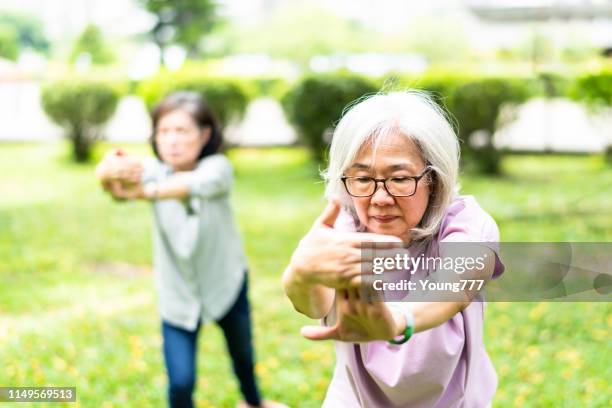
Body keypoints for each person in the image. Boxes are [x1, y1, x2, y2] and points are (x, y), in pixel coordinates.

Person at [282, 90, 505, 407]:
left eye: (399, 178)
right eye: (362, 178)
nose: (380, 198)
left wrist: (398, 319)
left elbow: (455, 286)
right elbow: (315, 304)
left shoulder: (467, 223)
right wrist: (300, 275)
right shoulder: (345, 229)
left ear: (434, 178)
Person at [96, 92, 286, 408]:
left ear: (205, 134)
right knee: (181, 382)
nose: (172, 141)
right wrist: (109, 170)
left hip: (226, 281)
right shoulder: (152, 170)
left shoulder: (219, 167)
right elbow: (113, 185)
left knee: (242, 355)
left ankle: (253, 403)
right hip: (177, 292)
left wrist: (145, 192)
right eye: (164, 131)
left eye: (182, 131)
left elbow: (193, 185)